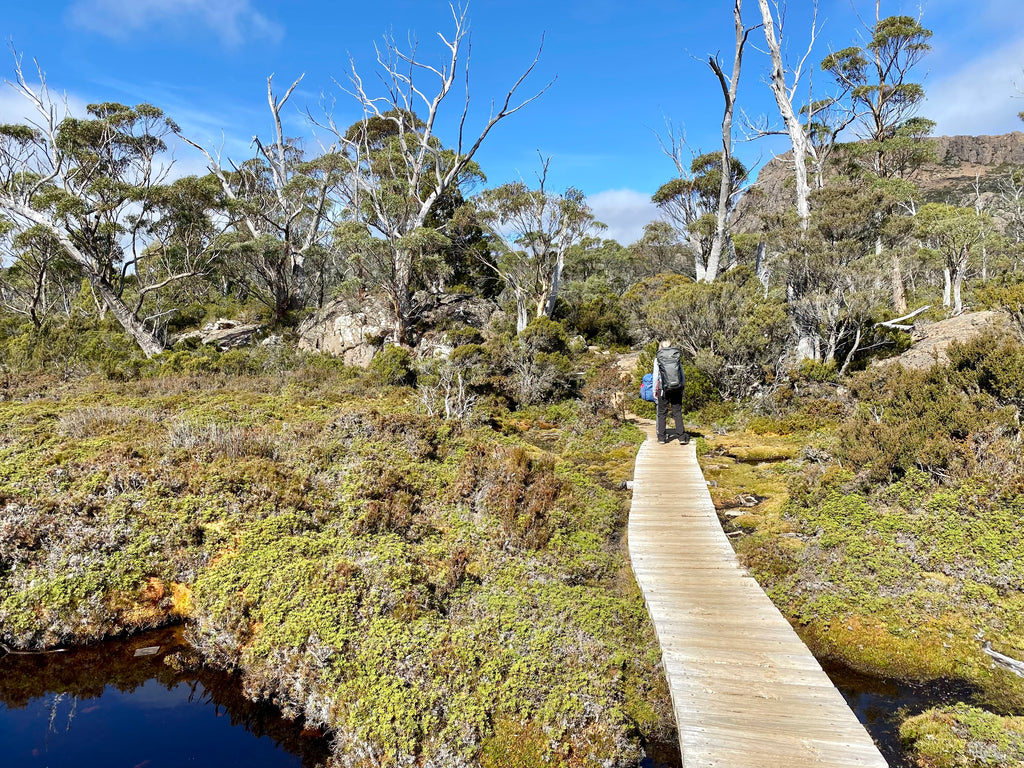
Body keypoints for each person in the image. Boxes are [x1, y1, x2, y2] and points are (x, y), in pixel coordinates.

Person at [653, 341, 687, 444]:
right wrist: (682, 387)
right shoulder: (676, 358)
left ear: (661, 347)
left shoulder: (657, 359)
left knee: (662, 413)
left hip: (663, 389)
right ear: (671, 347)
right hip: (676, 388)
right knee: (677, 412)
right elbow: (681, 373)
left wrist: (655, 390)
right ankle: (681, 437)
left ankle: (662, 438)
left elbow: (655, 376)